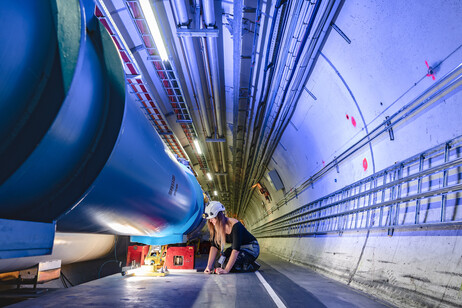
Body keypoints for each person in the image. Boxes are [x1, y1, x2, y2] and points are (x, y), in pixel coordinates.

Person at [203, 201, 260, 275]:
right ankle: (242, 263)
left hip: (251, 248)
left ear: (219, 216)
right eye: (209, 219)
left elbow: (235, 250)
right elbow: (214, 246)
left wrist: (226, 270)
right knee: (218, 264)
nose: (210, 221)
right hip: (238, 248)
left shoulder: (235, 225)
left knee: (230, 266)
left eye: (212, 218)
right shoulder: (216, 226)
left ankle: (251, 265)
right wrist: (208, 267)